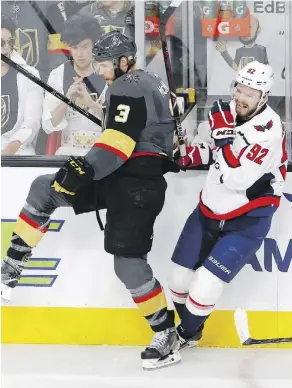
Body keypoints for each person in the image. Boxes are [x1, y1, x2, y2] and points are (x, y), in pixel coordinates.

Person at [1, 30, 181, 370]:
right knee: (45, 187)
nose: (99, 70)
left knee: (127, 264)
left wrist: (86, 167)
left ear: (124, 61)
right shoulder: (143, 81)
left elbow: (119, 141)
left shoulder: (128, 85)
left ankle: (165, 332)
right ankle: (12, 266)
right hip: (123, 175)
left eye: (104, 64)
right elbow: (128, 129)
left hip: (137, 184)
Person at [168, 61, 288, 348]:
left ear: (264, 96)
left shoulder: (270, 131)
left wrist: (222, 140)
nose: (242, 98)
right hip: (210, 207)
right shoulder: (224, 112)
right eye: (240, 89)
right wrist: (190, 155)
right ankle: (192, 329)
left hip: (248, 217)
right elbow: (209, 149)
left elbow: (238, 179)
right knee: (179, 279)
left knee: (206, 284)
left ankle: (183, 335)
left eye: (251, 93)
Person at [42, 14, 107, 156]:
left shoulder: (107, 72)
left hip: (101, 152)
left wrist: (92, 104)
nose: (80, 54)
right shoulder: (58, 75)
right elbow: (48, 125)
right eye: (74, 47)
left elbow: (119, 125)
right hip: (67, 152)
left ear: (94, 44)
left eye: (85, 47)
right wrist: (66, 100)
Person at [1, 15, 43, 155]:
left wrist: (10, 149)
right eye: (1, 42)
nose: (6, 48)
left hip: (17, 151)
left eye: (10, 42)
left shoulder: (29, 75)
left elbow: (32, 122)